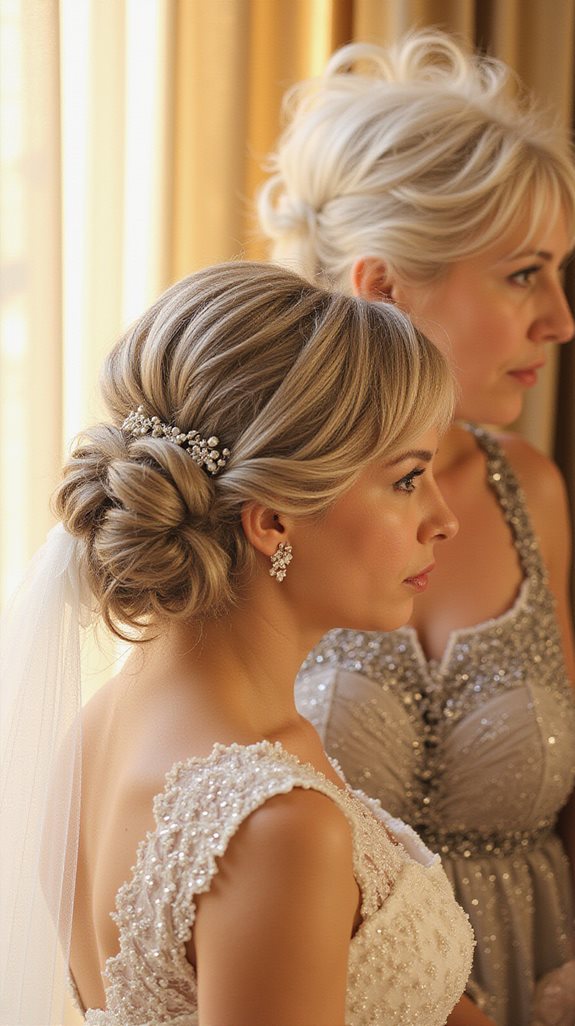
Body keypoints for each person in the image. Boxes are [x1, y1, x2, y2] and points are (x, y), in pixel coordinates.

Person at [0, 260, 473, 1026]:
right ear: (273, 519)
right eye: (408, 479)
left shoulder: (93, 733)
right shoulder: (277, 826)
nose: (443, 519)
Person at [258, 29, 575, 1026]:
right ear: (383, 287)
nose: (560, 318)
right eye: (523, 273)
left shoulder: (531, 490)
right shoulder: (253, 514)